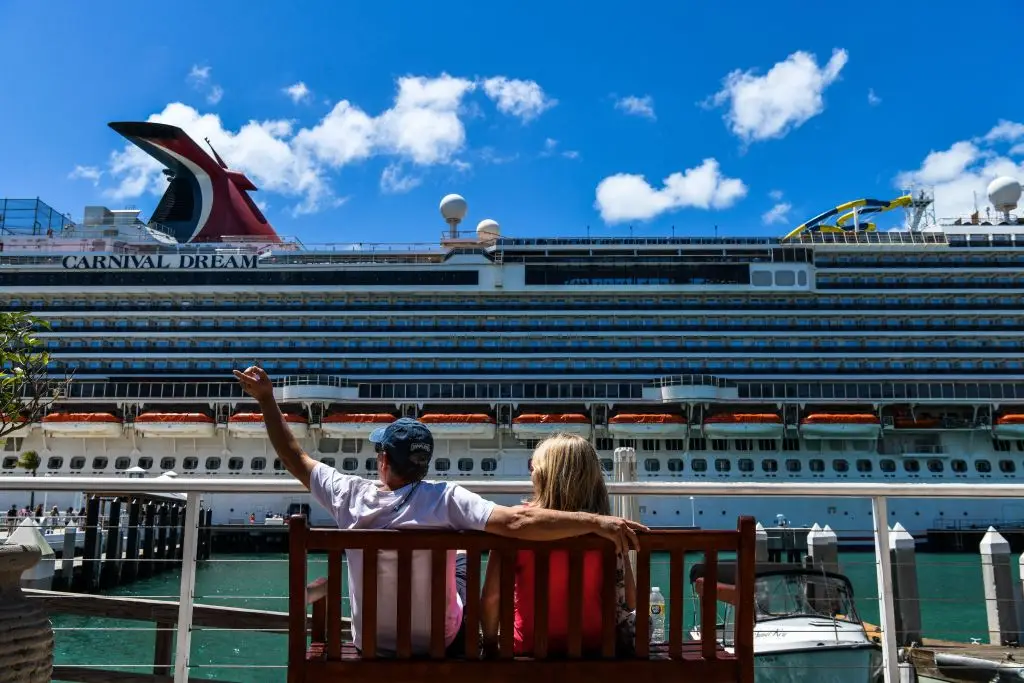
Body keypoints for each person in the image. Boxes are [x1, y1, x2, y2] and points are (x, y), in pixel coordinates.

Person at [233, 366, 646, 657]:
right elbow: (516, 522)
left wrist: (268, 399)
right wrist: (596, 520)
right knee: (461, 559)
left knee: (444, 563)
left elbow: (293, 455)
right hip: (440, 641)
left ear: (382, 461)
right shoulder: (446, 497)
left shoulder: (347, 495)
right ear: (425, 464)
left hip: (371, 644)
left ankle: (343, 587)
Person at [480, 434, 639, 657]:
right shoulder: (608, 532)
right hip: (595, 647)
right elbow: (630, 600)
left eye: (533, 467)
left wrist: (488, 644)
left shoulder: (514, 528)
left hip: (529, 647)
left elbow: (490, 598)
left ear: (544, 476)